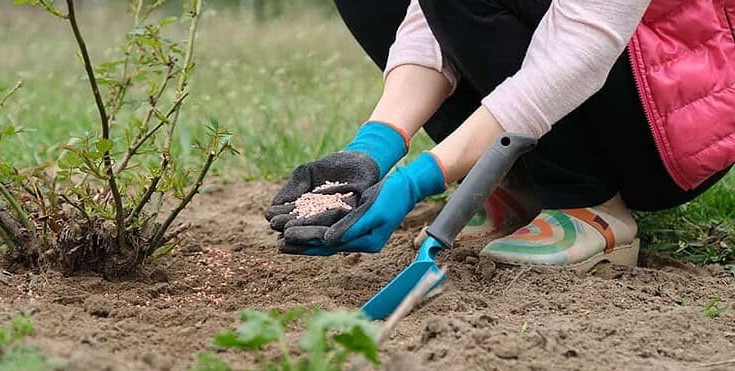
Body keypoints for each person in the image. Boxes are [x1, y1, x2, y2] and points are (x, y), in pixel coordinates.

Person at [265, 0, 735, 268]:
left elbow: (583, 44)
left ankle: (588, 201)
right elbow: (433, 17)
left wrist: (424, 176)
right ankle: (513, 182)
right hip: (604, 75)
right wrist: (374, 146)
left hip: (668, 120)